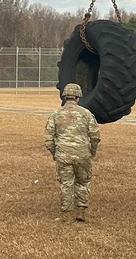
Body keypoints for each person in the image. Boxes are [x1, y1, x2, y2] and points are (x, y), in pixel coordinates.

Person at [43, 83, 101, 222]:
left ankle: (66, 215)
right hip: (83, 155)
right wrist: (92, 152)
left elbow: (48, 138)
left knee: (66, 184)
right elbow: (95, 136)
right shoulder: (86, 114)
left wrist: (55, 153)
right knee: (83, 182)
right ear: (78, 97)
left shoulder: (56, 114)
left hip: (63, 155)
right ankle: (81, 211)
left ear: (64, 97)